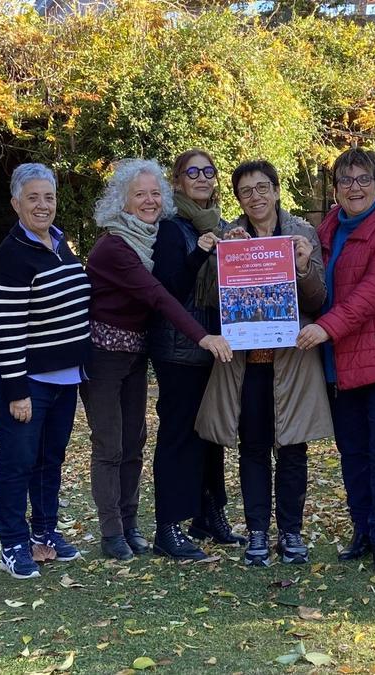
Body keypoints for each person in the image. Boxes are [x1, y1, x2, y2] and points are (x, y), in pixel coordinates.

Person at [82, 159, 232, 562]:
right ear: (123, 201)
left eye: (153, 193)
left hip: (135, 351)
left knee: (134, 441)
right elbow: (158, 294)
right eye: (139, 194)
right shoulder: (116, 245)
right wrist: (203, 336)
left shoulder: (147, 237)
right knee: (110, 444)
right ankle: (112, 532)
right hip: (103, 354)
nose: (148, 201)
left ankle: (130, 526)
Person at [196, 159, 331, 568]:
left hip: (292, 362)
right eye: (245, 191)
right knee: (253, 448)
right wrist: (223, 258)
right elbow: (210, 299)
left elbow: (318, 299)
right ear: (238, 198)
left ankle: (291, 532)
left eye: (261, 188)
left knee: (292, 448)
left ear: (275, 190)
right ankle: (257, 531)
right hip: (246, 365)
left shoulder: (302, 233)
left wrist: (303, 266)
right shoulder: (229, 236)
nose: (255, 197)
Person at [296, 148, 375, 577]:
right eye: (345, 180)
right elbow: (315, 288)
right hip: (341, 361)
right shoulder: (325, 231)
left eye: (364, 179)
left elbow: (373, 292)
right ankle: (362, 530)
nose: (354, 187)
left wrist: (325, 328)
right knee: (352, 451)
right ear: (334, 189)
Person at [0, 163, 92, 580]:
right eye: (32, 197)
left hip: (66, 378)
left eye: (48, 197)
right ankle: (13, 542)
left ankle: (45, 531)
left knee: (50, 460)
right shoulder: (12, 255)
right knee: (18, 463)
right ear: (16, 203)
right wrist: (16, 390)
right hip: (29, 382)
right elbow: (6, 328)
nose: (42, 205)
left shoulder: (60, 243)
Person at [148, 150, 246, 548]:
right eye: (193, 172)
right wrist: (201, 253)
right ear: (178, 181)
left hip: (215, 348)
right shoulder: (172, 229)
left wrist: (238, 250)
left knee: (211, 436)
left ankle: (209, 516)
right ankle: (168, 525)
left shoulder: (220, 227)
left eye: (209, 171)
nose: (202, 178)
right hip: (178, 349)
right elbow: (168, 291)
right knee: (178, 436)